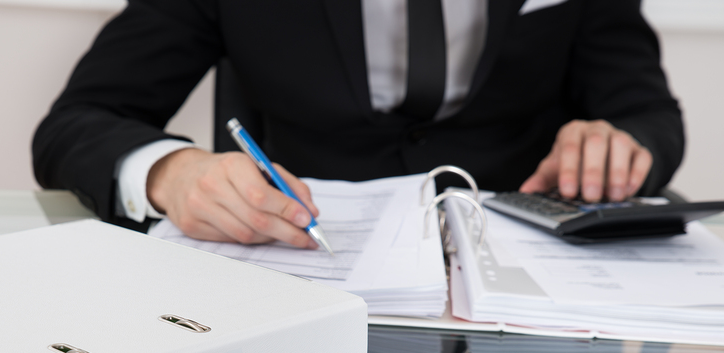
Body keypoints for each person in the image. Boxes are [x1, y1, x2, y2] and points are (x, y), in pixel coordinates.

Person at [33, 0, 684, 250]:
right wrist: (172, 173)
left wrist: (622, 145)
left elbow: (648, 113)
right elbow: (75, 123)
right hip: (297, 278)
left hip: (520, 291)